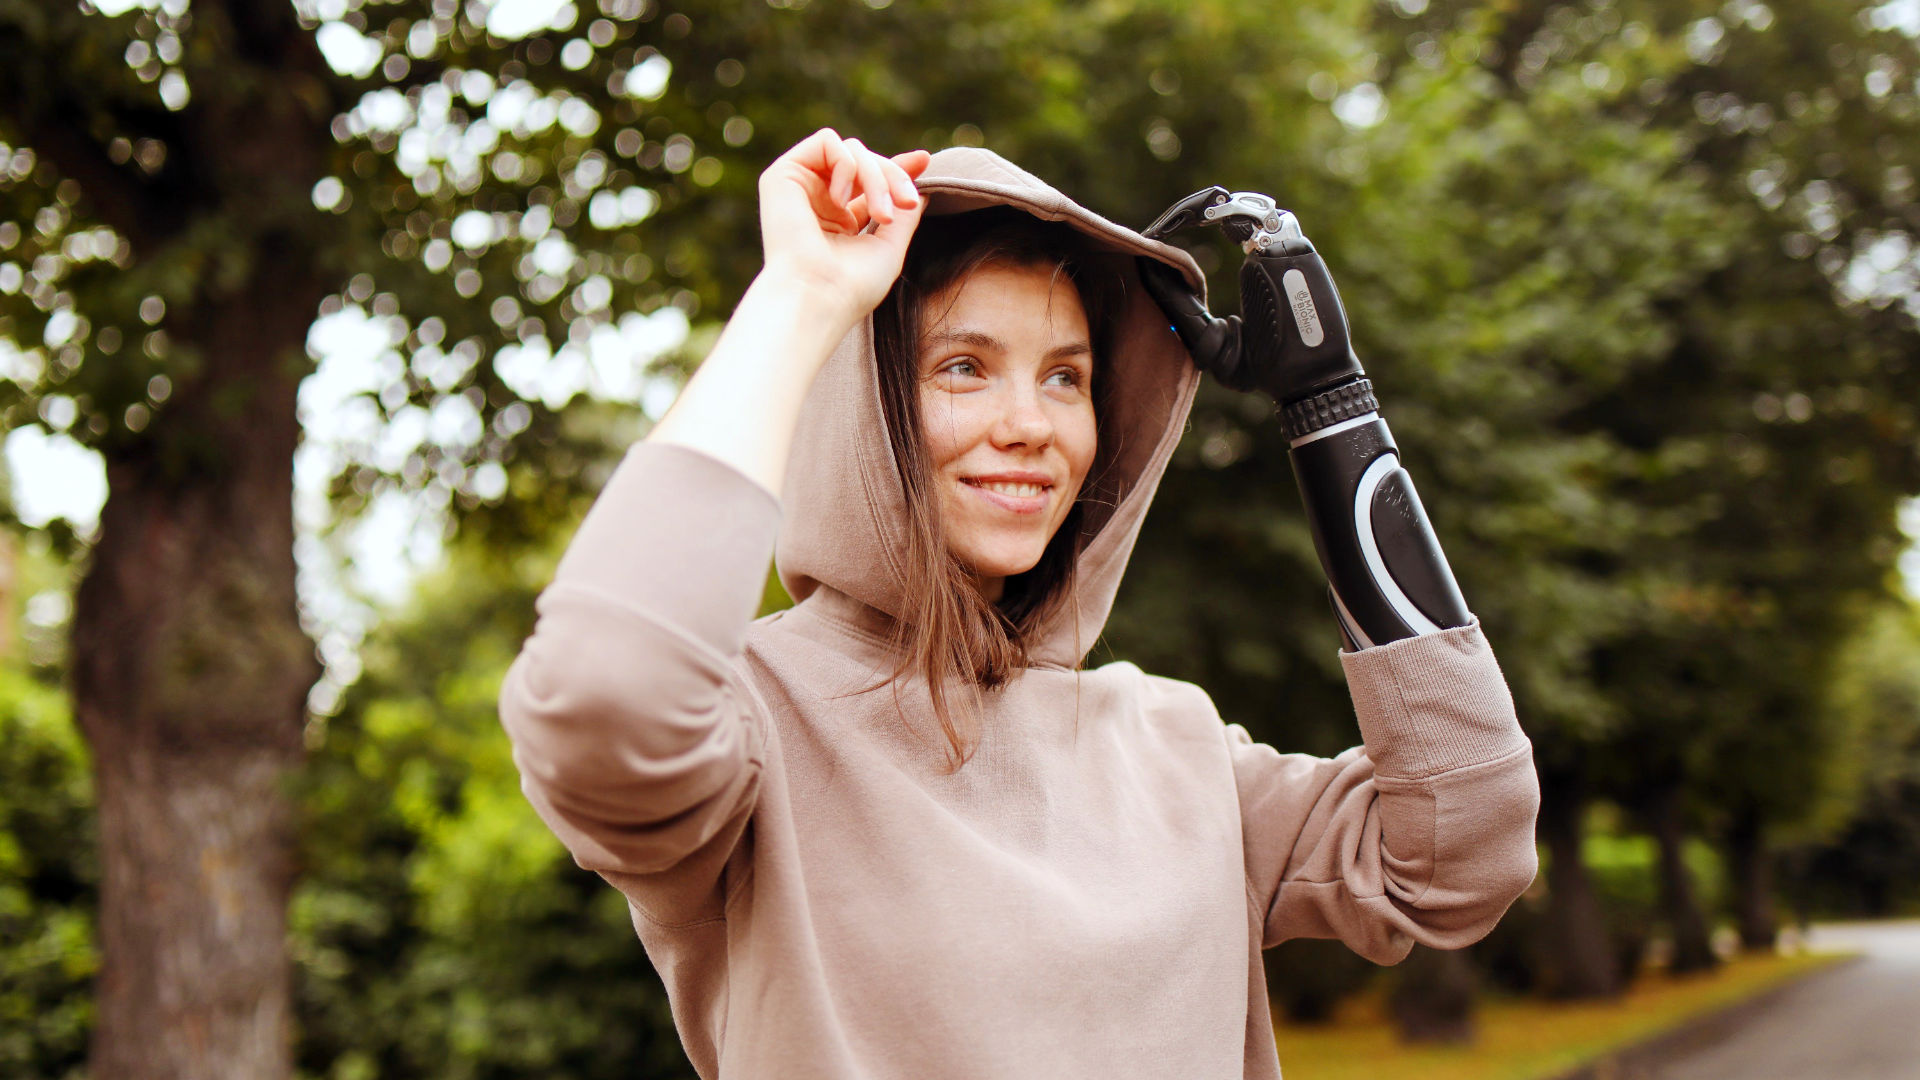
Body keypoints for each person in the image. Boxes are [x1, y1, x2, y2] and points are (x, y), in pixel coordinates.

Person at [498, 129, 1540, 1079]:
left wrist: (1330, 412)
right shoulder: (758, 723)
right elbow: (602, 695)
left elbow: (1465, 849)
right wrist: (801, 297)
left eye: (1065, 378)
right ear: (866, 408)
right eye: (963, 367)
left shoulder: (1175, 744)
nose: (1028, 424)